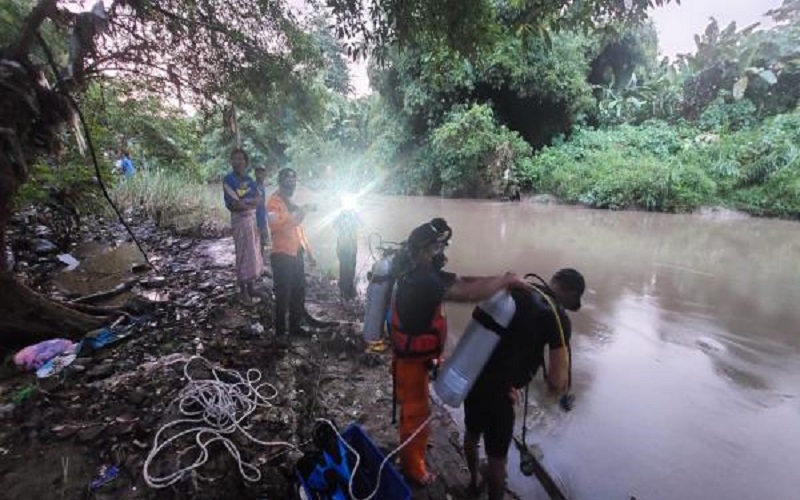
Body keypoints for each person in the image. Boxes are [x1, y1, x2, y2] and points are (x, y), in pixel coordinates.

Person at [390, 219, 531, 486]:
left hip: (418, 359)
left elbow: (465, 280)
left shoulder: (423, 272)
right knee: (415, 415)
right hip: (410, 364)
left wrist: (502, 281)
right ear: (423, 251)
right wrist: (504, 281)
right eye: (437, 248)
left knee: (416, 413)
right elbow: (466, 293)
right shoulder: (423, 280)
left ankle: (412, 453)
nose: (441, 254)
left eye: (443, 247)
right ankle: (413, 470)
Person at [462, 268, 585, 500]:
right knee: (497, 461)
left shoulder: (516, 289)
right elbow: (558, 381)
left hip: (473, 374)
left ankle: (473, 482)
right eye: (571, 302)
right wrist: (553, 388)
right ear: (569, 291)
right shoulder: (556, 316)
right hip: (502, 394)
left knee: (471, 433)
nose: (568, 308)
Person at [267, 168, 318, 337]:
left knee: (299, 291)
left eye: (294, 181)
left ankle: (295, 327)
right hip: (281, 254)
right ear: (280, 182)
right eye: (288, 181)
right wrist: (299, 214)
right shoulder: (273, 203)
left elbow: (299, 231)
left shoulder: (291, 203)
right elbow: (276, 225)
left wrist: (309, 253)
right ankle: (281, 333)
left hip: (296, 254)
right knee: (283, 294)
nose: (292, 184)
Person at [223, 148, 263, 306]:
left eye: (241, 159)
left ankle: (251, 286)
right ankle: (243, 292)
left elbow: (258, 200)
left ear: (246, 162)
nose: (237, 162)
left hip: (251, 220)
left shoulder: (250, 180)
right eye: (234, 159)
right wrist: (248, 202)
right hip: (239, 220)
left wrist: (244, 202)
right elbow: (234, 204)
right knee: (242, 253)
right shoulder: (228, 180)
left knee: (253, 252)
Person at [333, 203, 360, 300]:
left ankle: (344, 290)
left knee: (344, 268)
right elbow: (362, 225)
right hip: (349, 247)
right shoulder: (354, 215)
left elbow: (334, 226)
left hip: (343, 247)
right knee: (350, 268)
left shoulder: (342, 215)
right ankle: (348, 290)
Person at [254, 165, 272, 255]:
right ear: (255, 174)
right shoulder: (254, 186)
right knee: (258, 241)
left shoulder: (261, 186)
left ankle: (260, 262)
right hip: (255, 218)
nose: (261, 175)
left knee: (262, 242)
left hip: (262, 217)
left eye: (263, 173)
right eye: (258, 173)